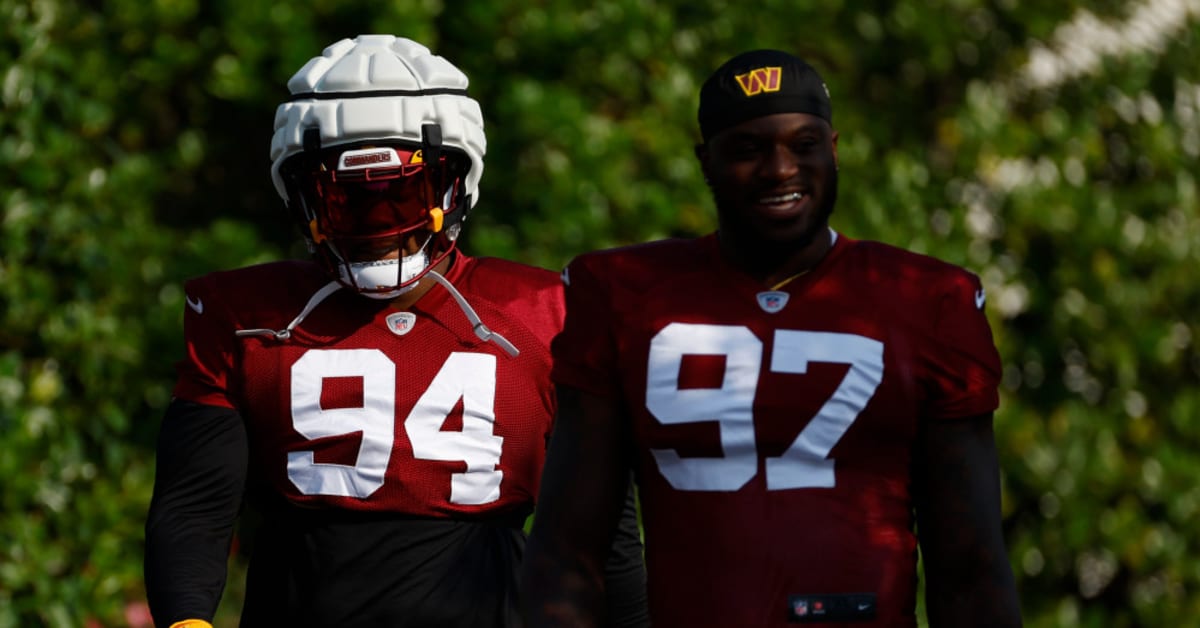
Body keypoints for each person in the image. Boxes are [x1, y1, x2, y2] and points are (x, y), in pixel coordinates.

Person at [144, 34, 647, 628]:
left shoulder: (546, 312)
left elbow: (602, 537)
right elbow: (195, 510)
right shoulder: (245, 317)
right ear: (301, 197)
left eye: (398, 198)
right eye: (343, 202)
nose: (376, 227)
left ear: (453, 184)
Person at [522, 49, 1023, 627]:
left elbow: (970, 564)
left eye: (803, 145)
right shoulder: (625, 293)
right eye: (748, 149)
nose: (781, 169)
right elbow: (566, 551)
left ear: (833, 151)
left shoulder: (926, 298)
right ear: (706, 162)